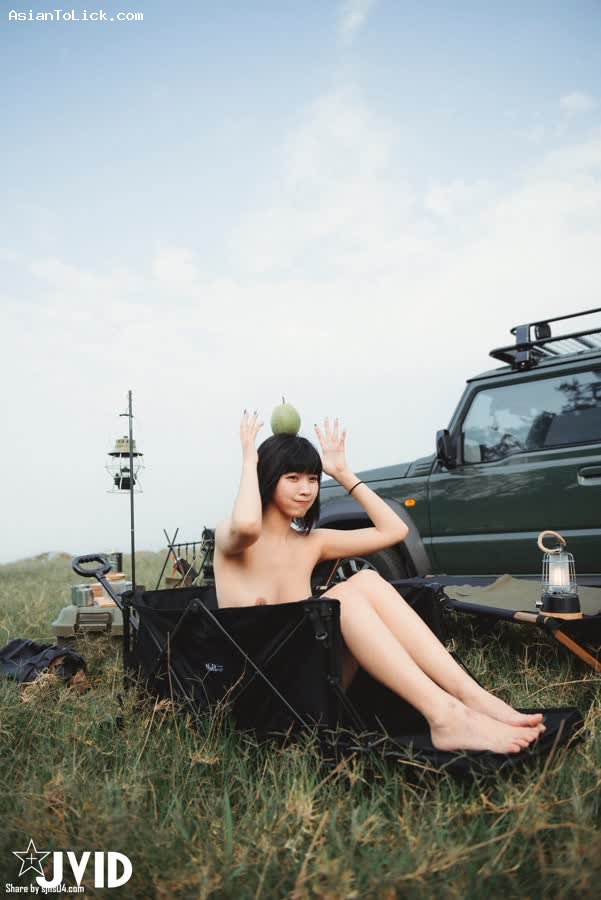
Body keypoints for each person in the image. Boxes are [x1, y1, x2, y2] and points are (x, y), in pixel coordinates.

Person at [214, 411, 546, 755]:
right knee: (346, 597)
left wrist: (343, 473)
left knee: (367, 579)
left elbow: (394, 530)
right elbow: (248, 525)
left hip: (315, 688)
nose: (306, 489)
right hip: (268, 702)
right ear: (267, 478)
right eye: (293, 478)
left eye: (312, 479)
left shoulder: (312, 543)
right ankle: (445, 717)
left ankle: (470, 697)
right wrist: (250, 460)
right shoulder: (232, 541)